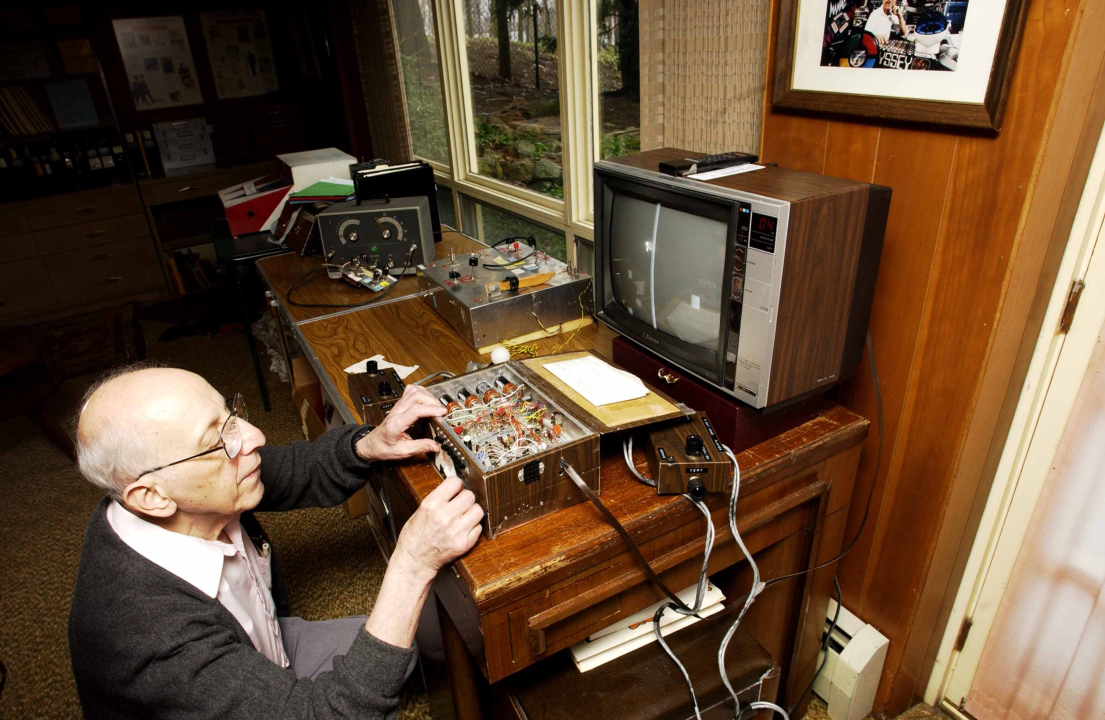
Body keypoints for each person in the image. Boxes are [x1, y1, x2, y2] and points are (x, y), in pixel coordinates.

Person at [68, 366, 483, 719]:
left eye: (230, 414)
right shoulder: (149, 639)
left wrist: (368, 445)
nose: (254, 437)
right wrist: (411, 565)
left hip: (263, 649)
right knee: (377, 668)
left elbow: (296, 469)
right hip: (238, 683)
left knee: (402, 648)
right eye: (218, 438)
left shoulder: (199, 484)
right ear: (153, 497)